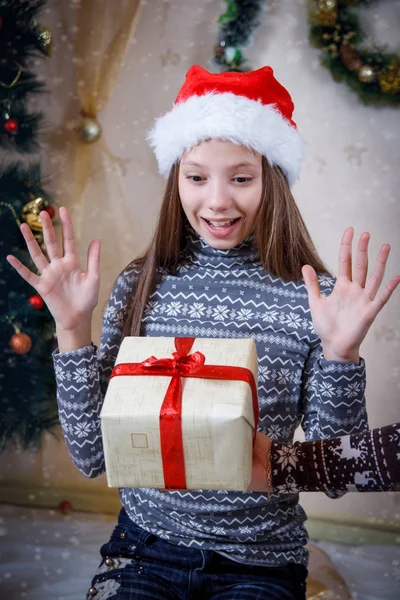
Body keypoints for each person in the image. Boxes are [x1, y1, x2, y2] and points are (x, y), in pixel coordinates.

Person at [7, 65, 400, 600]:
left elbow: (334, 475)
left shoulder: (312, 297)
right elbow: (95, 457)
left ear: (273, 180)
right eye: (196, 177)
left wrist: (341, 353)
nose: (217, 201)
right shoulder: (141, 285)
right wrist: (73, 328)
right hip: (145, 549)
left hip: (260, 560)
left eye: (241, 177)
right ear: (176, 180)